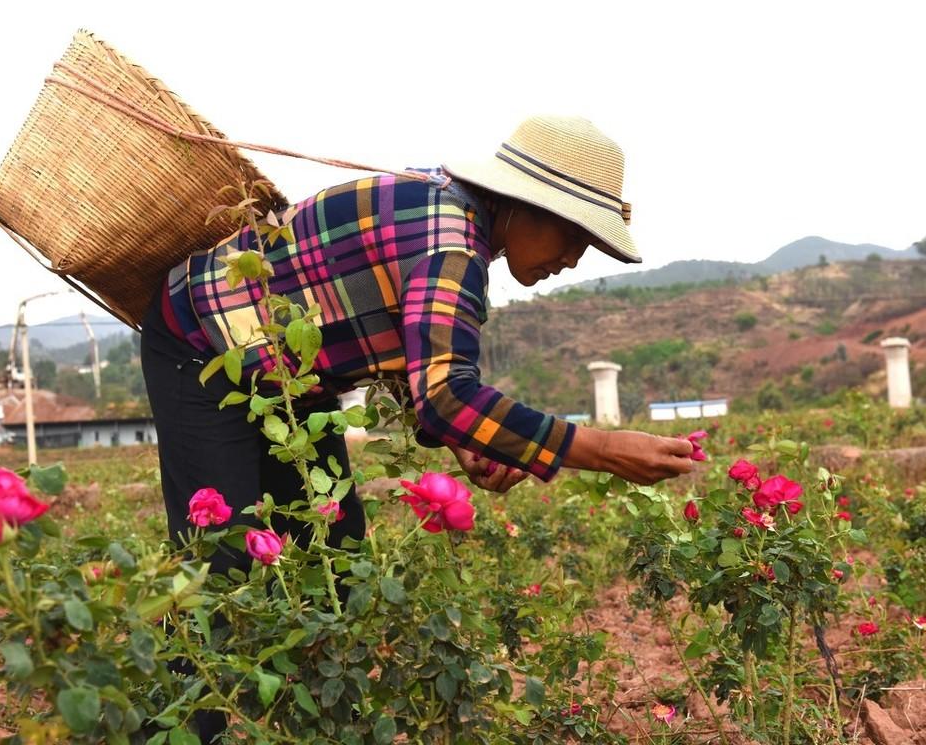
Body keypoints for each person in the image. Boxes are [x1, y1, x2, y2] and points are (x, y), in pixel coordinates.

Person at [139, 115, 694, 739]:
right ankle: (169, 726)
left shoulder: (451, 219)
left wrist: (464, 439)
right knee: (224, 570)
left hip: (292, 381)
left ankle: (313, 726)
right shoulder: (452, 242)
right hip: (202, 349)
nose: (572, 259)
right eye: (574, 237)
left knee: (334, 557)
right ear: (529, 206)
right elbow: (447, 394)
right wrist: (602, 448)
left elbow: (409, 355)